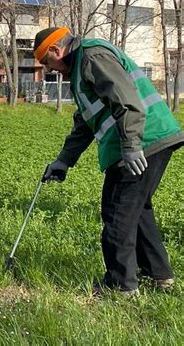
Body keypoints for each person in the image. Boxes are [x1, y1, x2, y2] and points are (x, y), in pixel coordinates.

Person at [34, 27, 184, 296]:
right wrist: (63, 161)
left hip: (143, 142)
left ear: (56, 50)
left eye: (47, 62)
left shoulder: (92, 57)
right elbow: (86, 122)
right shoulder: (81, 68)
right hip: (149, 138)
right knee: (137, 210)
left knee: (117, 212)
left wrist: (131, 146)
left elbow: (125, 99)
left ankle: (121, 285)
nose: (50, 69)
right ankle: (160, 275)